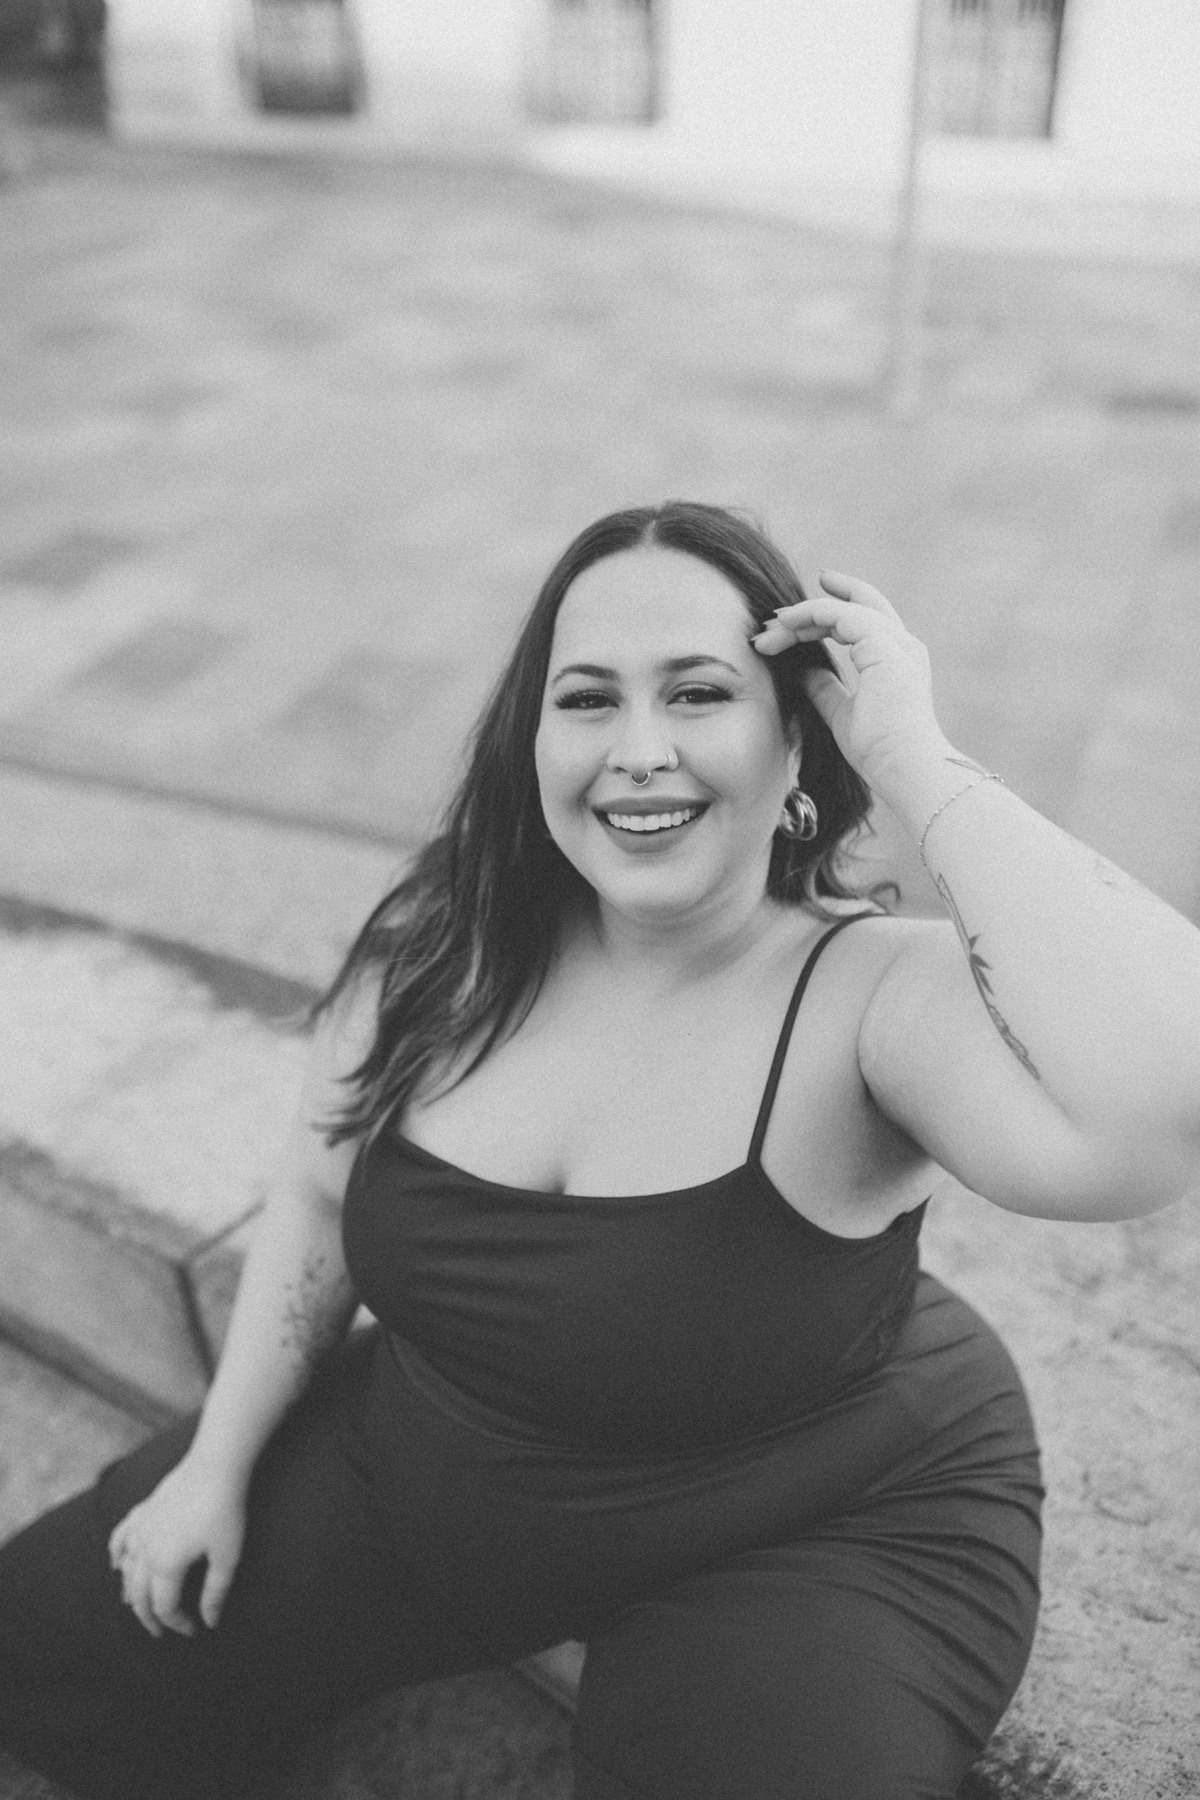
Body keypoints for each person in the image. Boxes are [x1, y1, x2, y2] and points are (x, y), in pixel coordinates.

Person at [2, 501, 1198, 1800]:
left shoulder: (871, 999)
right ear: (534, 741)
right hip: (441, 1458)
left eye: (698, 693)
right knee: (43, 1639)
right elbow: (313, 1185)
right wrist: (217, 1463)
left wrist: (916, 755)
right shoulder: (447, 937)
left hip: (817, 1517)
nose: (638, 752)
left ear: (796, 740)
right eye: (586, 700)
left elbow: (1167, 1094)